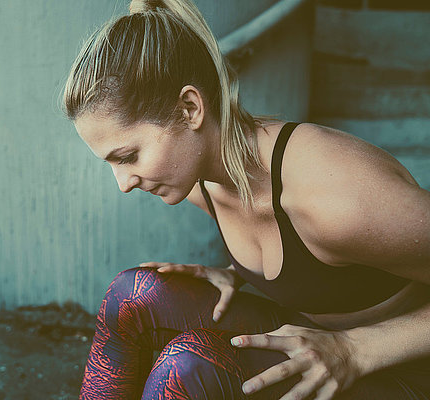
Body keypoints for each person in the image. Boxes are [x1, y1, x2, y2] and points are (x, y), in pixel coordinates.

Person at [62, 0, 430, 398]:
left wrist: (356, 348)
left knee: (188, 367)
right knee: (131, 296)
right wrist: (240, 270)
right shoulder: (202, 182)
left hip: (402, 368)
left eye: (129, 156)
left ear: (189, 109)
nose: (124, 183)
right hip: (313, 340)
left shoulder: (339, 200)